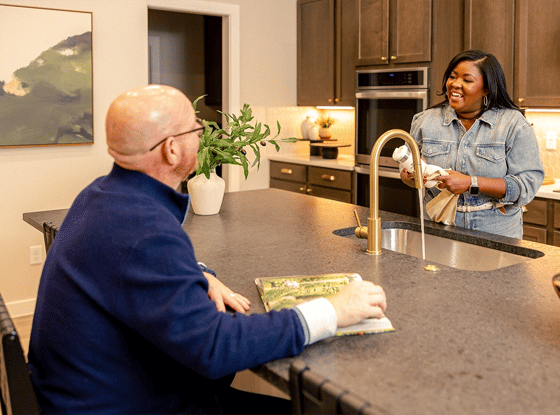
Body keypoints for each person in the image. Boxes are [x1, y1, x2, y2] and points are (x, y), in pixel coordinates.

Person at [27, 85, 388, 414]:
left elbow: (124, 262)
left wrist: (191, 272)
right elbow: (214, 348)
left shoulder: (98, 196)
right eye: (195, 128)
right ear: (171, 148)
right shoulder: (145, 231)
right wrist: (332, 310)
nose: (202, 134)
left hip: (87, 392)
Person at [401, 50, 544, 239]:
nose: (455, 84)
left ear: (487, 88)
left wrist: (470, 183)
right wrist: (410, 176)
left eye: (467, 80)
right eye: (452, 77)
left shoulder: (513, 124)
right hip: (437, 228)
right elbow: (408, 172)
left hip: (495, 230)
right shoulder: (425, 121)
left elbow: (526, 186)